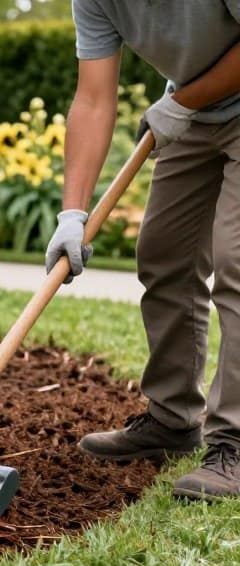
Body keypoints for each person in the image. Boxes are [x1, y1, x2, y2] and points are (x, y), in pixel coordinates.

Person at [46, 1, 240, 499]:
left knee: (236, 262)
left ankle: (235, 442)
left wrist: (184, 102)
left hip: (196, 102)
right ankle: (173, 420)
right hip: (194, 113)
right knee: (163, 256)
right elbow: (92, 99)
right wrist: (73, 213)